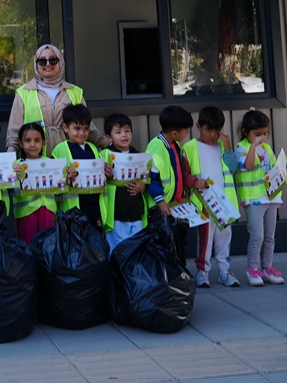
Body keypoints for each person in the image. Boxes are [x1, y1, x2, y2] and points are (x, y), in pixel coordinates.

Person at [5, 45, 109, 155]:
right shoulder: (24, 93)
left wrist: (115, 148)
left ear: (61, 62)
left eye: (53, 60)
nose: (48, 64)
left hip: (70, 161)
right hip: (36, 161)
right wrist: (10, 162)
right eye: (42, 61)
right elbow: (14, 134)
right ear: (36, 64)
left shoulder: (75, 92)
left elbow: (88, 128)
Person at [183, 107, 242, 288]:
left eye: (217, 130)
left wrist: (229, 148)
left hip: (223, 203)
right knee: (205, 240)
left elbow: (233, 168)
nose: (214, 135)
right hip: (204, 203)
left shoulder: (222, 147)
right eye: (209, 129)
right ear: (198, 126)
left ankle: (224, 271)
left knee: (225, 238)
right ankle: (203, 272)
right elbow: (183, 174)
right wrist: (194, 181)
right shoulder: (190, 147)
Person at [235, 110, 287, 287]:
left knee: (269, 237)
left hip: (271, 198)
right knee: (257, 236)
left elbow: (273, 170)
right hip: (254, 199)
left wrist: (286, 168)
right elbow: (248, 165)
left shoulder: (267, 149)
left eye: (265, 133)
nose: (262, 137)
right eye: (257, 134)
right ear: (246, 132)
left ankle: (267, 268)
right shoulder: (241, 148)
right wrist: (253, 146)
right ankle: (253, 269)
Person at [146, 106, 206, 266]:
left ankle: (178, 278)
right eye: (186, 130)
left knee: (177, 246)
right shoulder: (156, 147)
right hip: (161, 209)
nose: (187, 133)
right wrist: (160, 200)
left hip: (175, 206)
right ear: (174, 133)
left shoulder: (173, 145)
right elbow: (151, 178)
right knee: (164, 248)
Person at [50, 104, 112, 228]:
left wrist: (107, 172)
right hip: (74, 209)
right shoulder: (59, 150)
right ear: (65, 128)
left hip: (95, 205)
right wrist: (65, 177)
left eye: (86, 128)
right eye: (77, 128)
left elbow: (101, 176)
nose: (82, 133)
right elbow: (53, 183)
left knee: (96, 241)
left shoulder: (93, 148)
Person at [100, 113, 149, 253]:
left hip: (136, 213)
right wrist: (105, 174)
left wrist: (142, 186)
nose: (123, 135)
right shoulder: (103, 155)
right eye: (118, 132)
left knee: (137, 252)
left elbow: (147, 179)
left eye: (127, 131)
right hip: (115, 215)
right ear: (109, 137)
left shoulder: (139, 156)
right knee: (116, 252)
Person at [13, 121, 54, 243]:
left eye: (37, 140)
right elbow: (14, 192)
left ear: (43, 142)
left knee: (48, 245)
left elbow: (59, 188)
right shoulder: (17, 166)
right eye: (27, 140)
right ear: (20, 143)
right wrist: (16, 177)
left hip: (48, 210)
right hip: (26, 212)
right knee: (28, 245)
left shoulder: (51, 163)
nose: (32, 145)